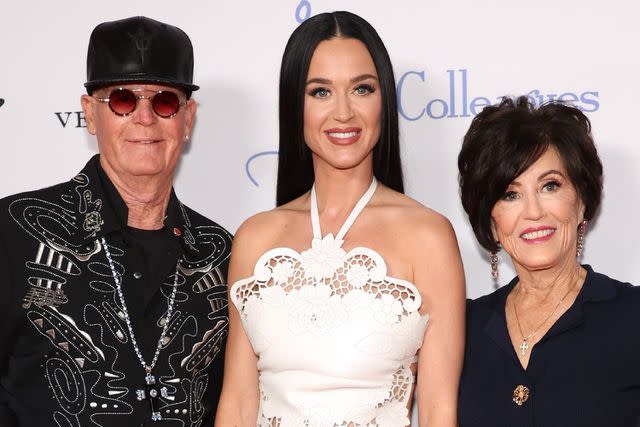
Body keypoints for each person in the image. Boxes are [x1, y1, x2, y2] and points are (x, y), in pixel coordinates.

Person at [215, 11, 465, 427]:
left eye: (362, 89)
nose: (344, 113)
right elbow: (238, 404)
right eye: (320, 92)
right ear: (296, 106)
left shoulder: (428, 236)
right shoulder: (255, 238)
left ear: (383, 98)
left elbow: (439, 412)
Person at [0, 16, 232, 426]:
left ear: (188, 118)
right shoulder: (12, 232)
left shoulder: (222, 254)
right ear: (90, 114)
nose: (145, 118)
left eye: (164, 101)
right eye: (123, 100)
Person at [457, 96, 640, 426]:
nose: (533, 212)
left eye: (550, 185)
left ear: (581, 202)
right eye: (510, 194)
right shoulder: (461, 329)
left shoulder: (633, 315)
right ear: (491, 222)